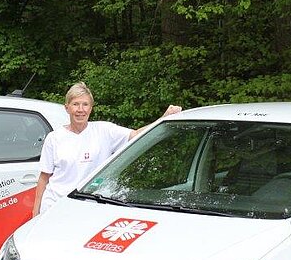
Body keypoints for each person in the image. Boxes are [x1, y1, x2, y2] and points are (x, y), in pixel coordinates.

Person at [33, 82, 181, 216]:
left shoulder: (104, 130)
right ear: (67, 107)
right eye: (75, 104)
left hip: (90, 208)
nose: (80, 110)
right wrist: (36, 213)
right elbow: (44, 178)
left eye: (85, 105)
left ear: (91, 108)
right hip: (55, 208)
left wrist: (164, 118)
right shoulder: (54, 138)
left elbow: (135, 135)